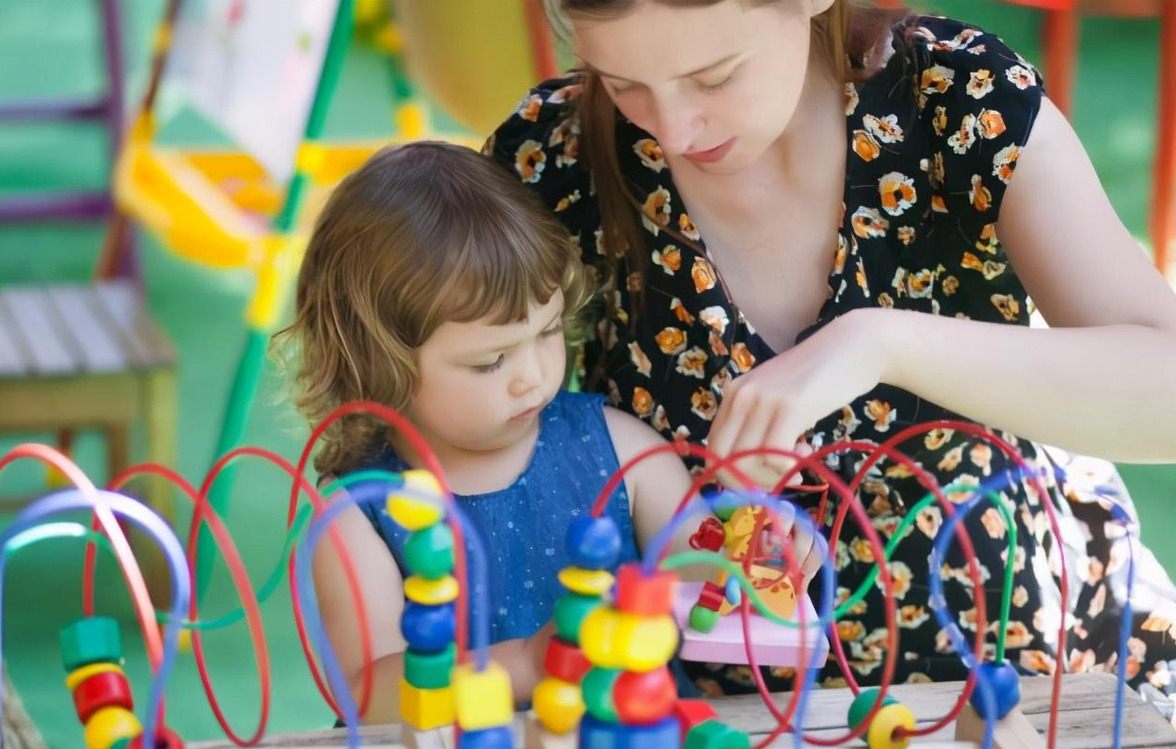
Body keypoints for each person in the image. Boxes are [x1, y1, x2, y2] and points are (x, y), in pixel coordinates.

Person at [485, 0, 1176, 696]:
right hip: (708, 700)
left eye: (714, 77)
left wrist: (880, 342)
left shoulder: (959, 101)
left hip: (1007, 657)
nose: (671, 129)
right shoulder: (555, 157)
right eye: (622, 83)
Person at [275, 141, 717, 723]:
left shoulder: (622, 451)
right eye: (490, 362)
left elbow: (703, 579)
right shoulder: (359, 512)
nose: (532, 376)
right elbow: (368, 695)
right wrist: (530, 663)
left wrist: (752, 562)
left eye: (548, 331)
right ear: (380, 364)